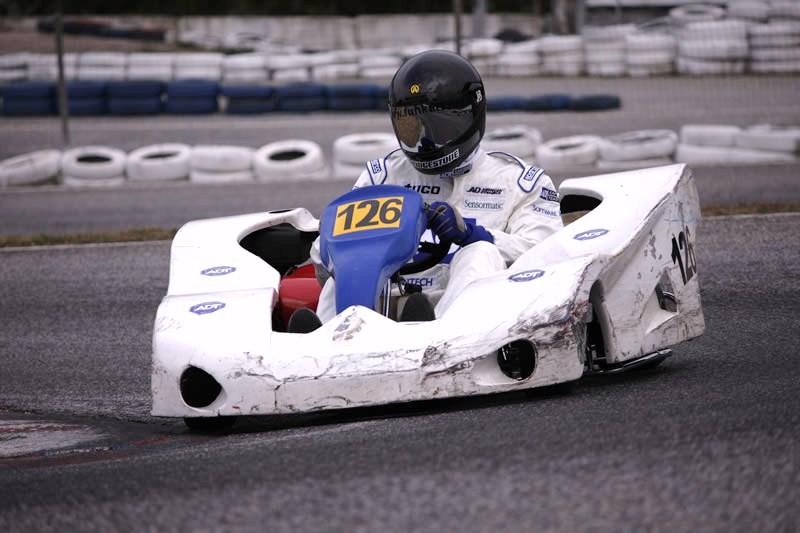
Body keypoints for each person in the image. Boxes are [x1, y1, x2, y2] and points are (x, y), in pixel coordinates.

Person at [288, 49, 563, 333]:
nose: (425, 140)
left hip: (476, 323)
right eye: (413, 125)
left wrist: (476, 236)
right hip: (388, 308)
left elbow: (549, 256)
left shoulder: (519, 182)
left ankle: (436, 335)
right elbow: (324, 259)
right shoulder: (383, 177)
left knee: (480, 252)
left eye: (439, 124)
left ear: (470, 115)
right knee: (347, 265)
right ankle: (328, 340)